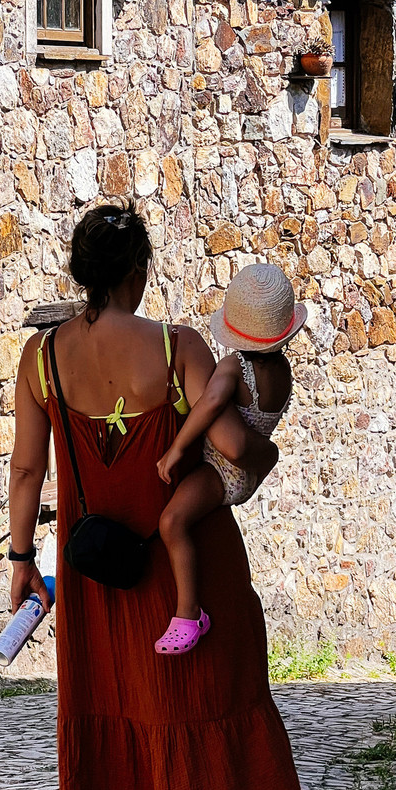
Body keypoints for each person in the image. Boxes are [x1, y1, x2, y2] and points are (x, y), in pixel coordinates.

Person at [8, 202, 315, 790]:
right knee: (191, 703)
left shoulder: (41, 360)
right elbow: (239, 449)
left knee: (122, 706)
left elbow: (25, 468)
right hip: (186, 569)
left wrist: (21, 563)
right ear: (139, 272)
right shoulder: (181, 348)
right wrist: (269, 458)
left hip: (97, 575)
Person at [153, 263, 305, 655]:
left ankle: (189, 614)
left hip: (221, 471)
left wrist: (177, 448)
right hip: (247, 475)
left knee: (172, 522)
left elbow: (211, 402)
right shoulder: (282, 371)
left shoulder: (234, 368)